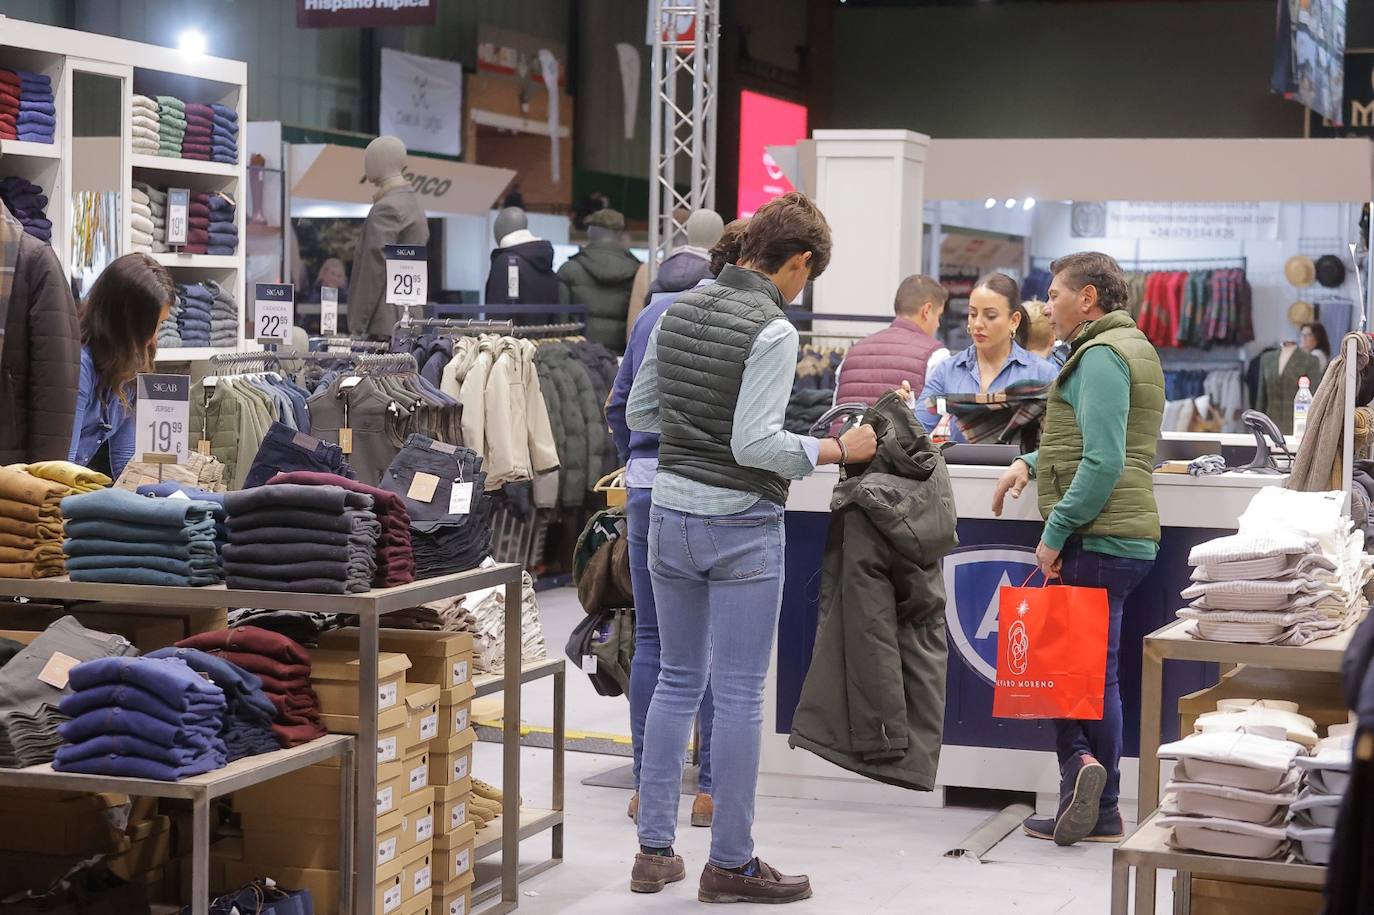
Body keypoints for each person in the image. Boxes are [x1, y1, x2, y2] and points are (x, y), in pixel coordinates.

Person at [625, 192, 876, 903]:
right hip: (739, 522)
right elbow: (755, 443)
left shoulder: (676, 311)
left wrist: (696, 425)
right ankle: (730, 863)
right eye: (808, 276)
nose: (802, 289)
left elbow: (641, 410)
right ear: (798, 262)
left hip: (669, 513)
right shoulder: (772, 328)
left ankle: (653, 853)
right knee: (737, 694)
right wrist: (837, 448)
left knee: (677, 679)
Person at [991, 251, 1163, 847]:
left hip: (1099, 537)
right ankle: (1091, 792)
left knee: (1077, 674)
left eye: (1054, 294)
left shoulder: (1100, 356)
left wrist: (1055, 532)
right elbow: (1099, 443)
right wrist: (1031, 461)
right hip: (1121, 536)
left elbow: (1104, 460)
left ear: (1087, 298)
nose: (1046, 306)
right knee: (1089, 672)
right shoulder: (1130, 348)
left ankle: (1092, 787)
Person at [607, 218, 750, 831]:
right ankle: (709, 790)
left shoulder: (649, 317)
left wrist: (635, 460)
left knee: (654, 642)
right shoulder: (741, 317)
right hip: (713, 486)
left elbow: (619, 405)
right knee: (712, 648)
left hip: (646, 485)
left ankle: (648, 786)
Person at [68, 254, 176, 480]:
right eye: (151, 325)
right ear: (125, 322)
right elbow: (61, 468)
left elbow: (126, 462)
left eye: (160, 324)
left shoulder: (129, 369)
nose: (154, 338)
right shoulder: (79, 366)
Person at [915, 273, 1057, 442]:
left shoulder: (1043, 373)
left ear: (1014, 320)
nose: (978, 324)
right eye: (972, 314)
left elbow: (1057, 441)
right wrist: (899, 409)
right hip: (959, 461)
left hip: (1023, 460)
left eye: (990, 316)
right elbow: (915, 432)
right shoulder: (948, 370)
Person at [832, 274, 950, 406]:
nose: (938, 324)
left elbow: (834, 412)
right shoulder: (936, 356)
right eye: (938, 315)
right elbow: (940, 414)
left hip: (849, 420)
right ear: (926, 310)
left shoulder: (852, 353)